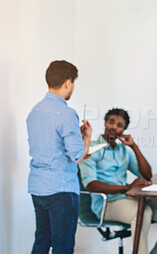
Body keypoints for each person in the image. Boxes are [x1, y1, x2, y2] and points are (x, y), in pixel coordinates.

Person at [79, 108, 157, 254]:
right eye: (111, 122)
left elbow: (147, 174)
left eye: (119, 125)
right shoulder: (91, 149)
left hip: (130, 199)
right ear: (105, 123)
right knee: (144, 212)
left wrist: (134, 147)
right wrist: (127, 188)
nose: (114, 127)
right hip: (106, 204)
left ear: (123, 130)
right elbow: (91, 185)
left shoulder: (123, 151)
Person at [27, 60, 92, 254]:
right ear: (68, 82)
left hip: (38, 187)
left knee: (42, 241)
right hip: (61, 188)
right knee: (63, 246)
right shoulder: (65, 113)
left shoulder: (34, 112)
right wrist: (86, 137)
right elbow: (78, 155)